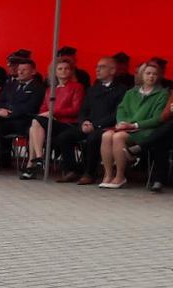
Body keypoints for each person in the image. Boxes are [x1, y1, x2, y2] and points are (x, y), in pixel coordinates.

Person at [98, 58, 167, 189]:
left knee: (118, 137)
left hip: (145, 129)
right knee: (106, 136)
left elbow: (157, 118)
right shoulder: (131, 92)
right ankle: (107, 175)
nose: (151, 76)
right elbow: (121, 109)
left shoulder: (162, 94)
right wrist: (122, 122)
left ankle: (120, 176)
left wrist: (133, 125)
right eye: (148, 73)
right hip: (126, 127)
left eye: (154, 74)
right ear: (142, 74)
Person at [64, 57, 127, 185]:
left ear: (112, 70)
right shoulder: (93, 89)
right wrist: (83, 122)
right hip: (88, 124)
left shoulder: (121, 89)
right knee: (64, 137)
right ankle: (73, 170)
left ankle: (90, 173)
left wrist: (97, 125)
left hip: (107, 126)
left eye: (102, 67)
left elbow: (118, 113)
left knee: (92, 139)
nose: (97, 69)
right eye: (97, 67)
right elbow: (83, 109)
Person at [21, 59, 83, 180]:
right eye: (60, 69)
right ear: (55, 72)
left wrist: (53, 113)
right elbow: (43, 108)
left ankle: (34, 162)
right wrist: (46, 114)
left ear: (71, 71)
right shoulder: (50, 90)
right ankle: (37, 159)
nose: (63, 71)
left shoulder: (77, 87)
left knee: (35, 124)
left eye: (66, 69)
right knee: (34, 124)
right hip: (50, 123)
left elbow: (75, 109)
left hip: (67, 124)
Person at [0, 52, 43, 173]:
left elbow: (31, 107)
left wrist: (10, 113)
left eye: (24, 70)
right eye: (19, 70)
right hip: (5, 120)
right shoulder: (11, 85)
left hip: (23, 121)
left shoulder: (38, 88)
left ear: (33, 72)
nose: (20, 72)